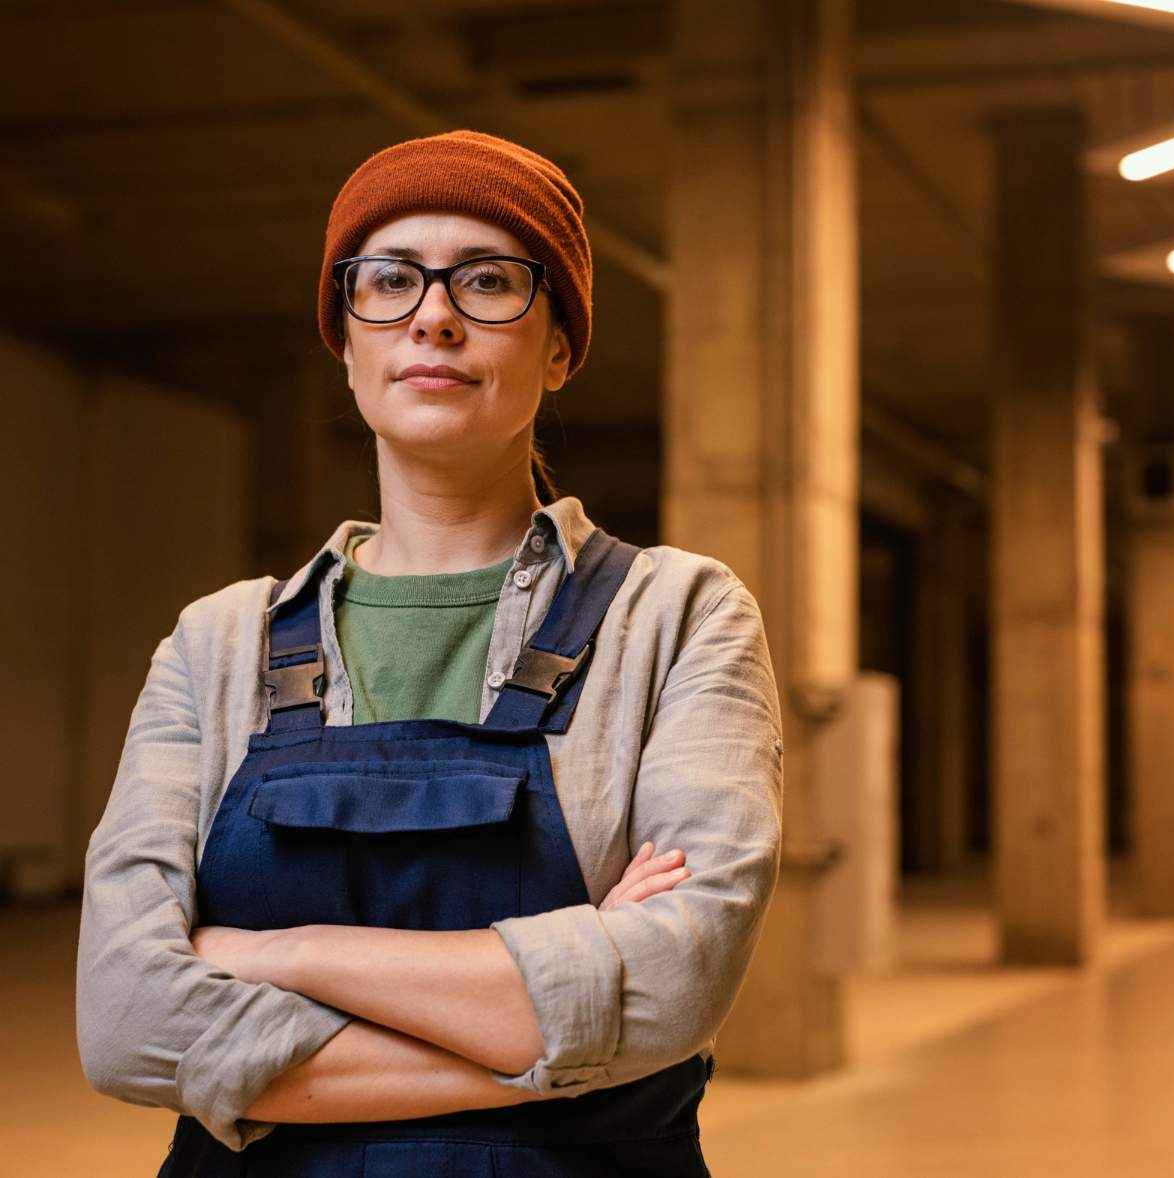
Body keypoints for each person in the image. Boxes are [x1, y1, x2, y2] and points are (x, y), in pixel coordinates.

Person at [75, 129, 785, 1176]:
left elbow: (674, 983)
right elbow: (128, 1019)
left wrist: (278, 955)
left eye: (489, 280)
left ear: (557, 346)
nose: (435, 315)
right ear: (348, 340)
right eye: (390, 280)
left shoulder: (677, 614)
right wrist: (553, 1032)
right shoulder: (214, 643)